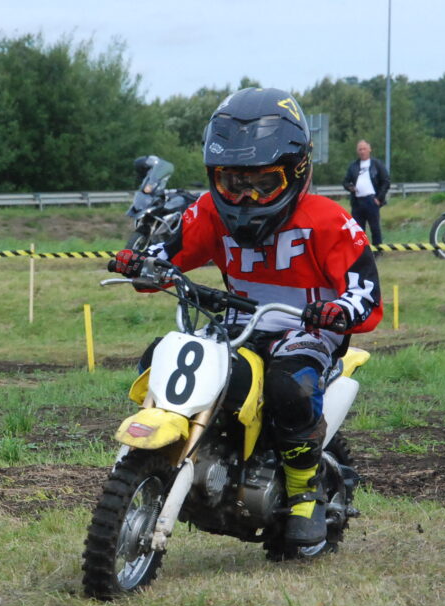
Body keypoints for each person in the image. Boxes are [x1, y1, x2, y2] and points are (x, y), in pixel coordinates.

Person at [110, 87, 383, 548]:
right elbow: (169, 252)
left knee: (288, 386)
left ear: (297, 171)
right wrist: (143, 263)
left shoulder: (329, 220)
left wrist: (339, 310)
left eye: (263, 182)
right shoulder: (208, 213)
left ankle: (305, 493)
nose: (247, 196)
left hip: (307, 329)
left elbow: (366, 293)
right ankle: (183, 449)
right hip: (238, 326)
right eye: (233, 183)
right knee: (161, 355)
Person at [342, 140, 390, 248]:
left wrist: (379, 198)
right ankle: (361, 250)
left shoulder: (377, 164)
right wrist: (350, 188)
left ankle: (378, 249)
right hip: (357, 202)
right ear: (357, 151)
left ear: (369, 149)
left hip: (372, 200)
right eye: (360, 149)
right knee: (358, 228)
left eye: (364, 149)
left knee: (374, 227)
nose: (362, 151)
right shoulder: (353, 166)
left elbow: (386, 181)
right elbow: (345, 182)